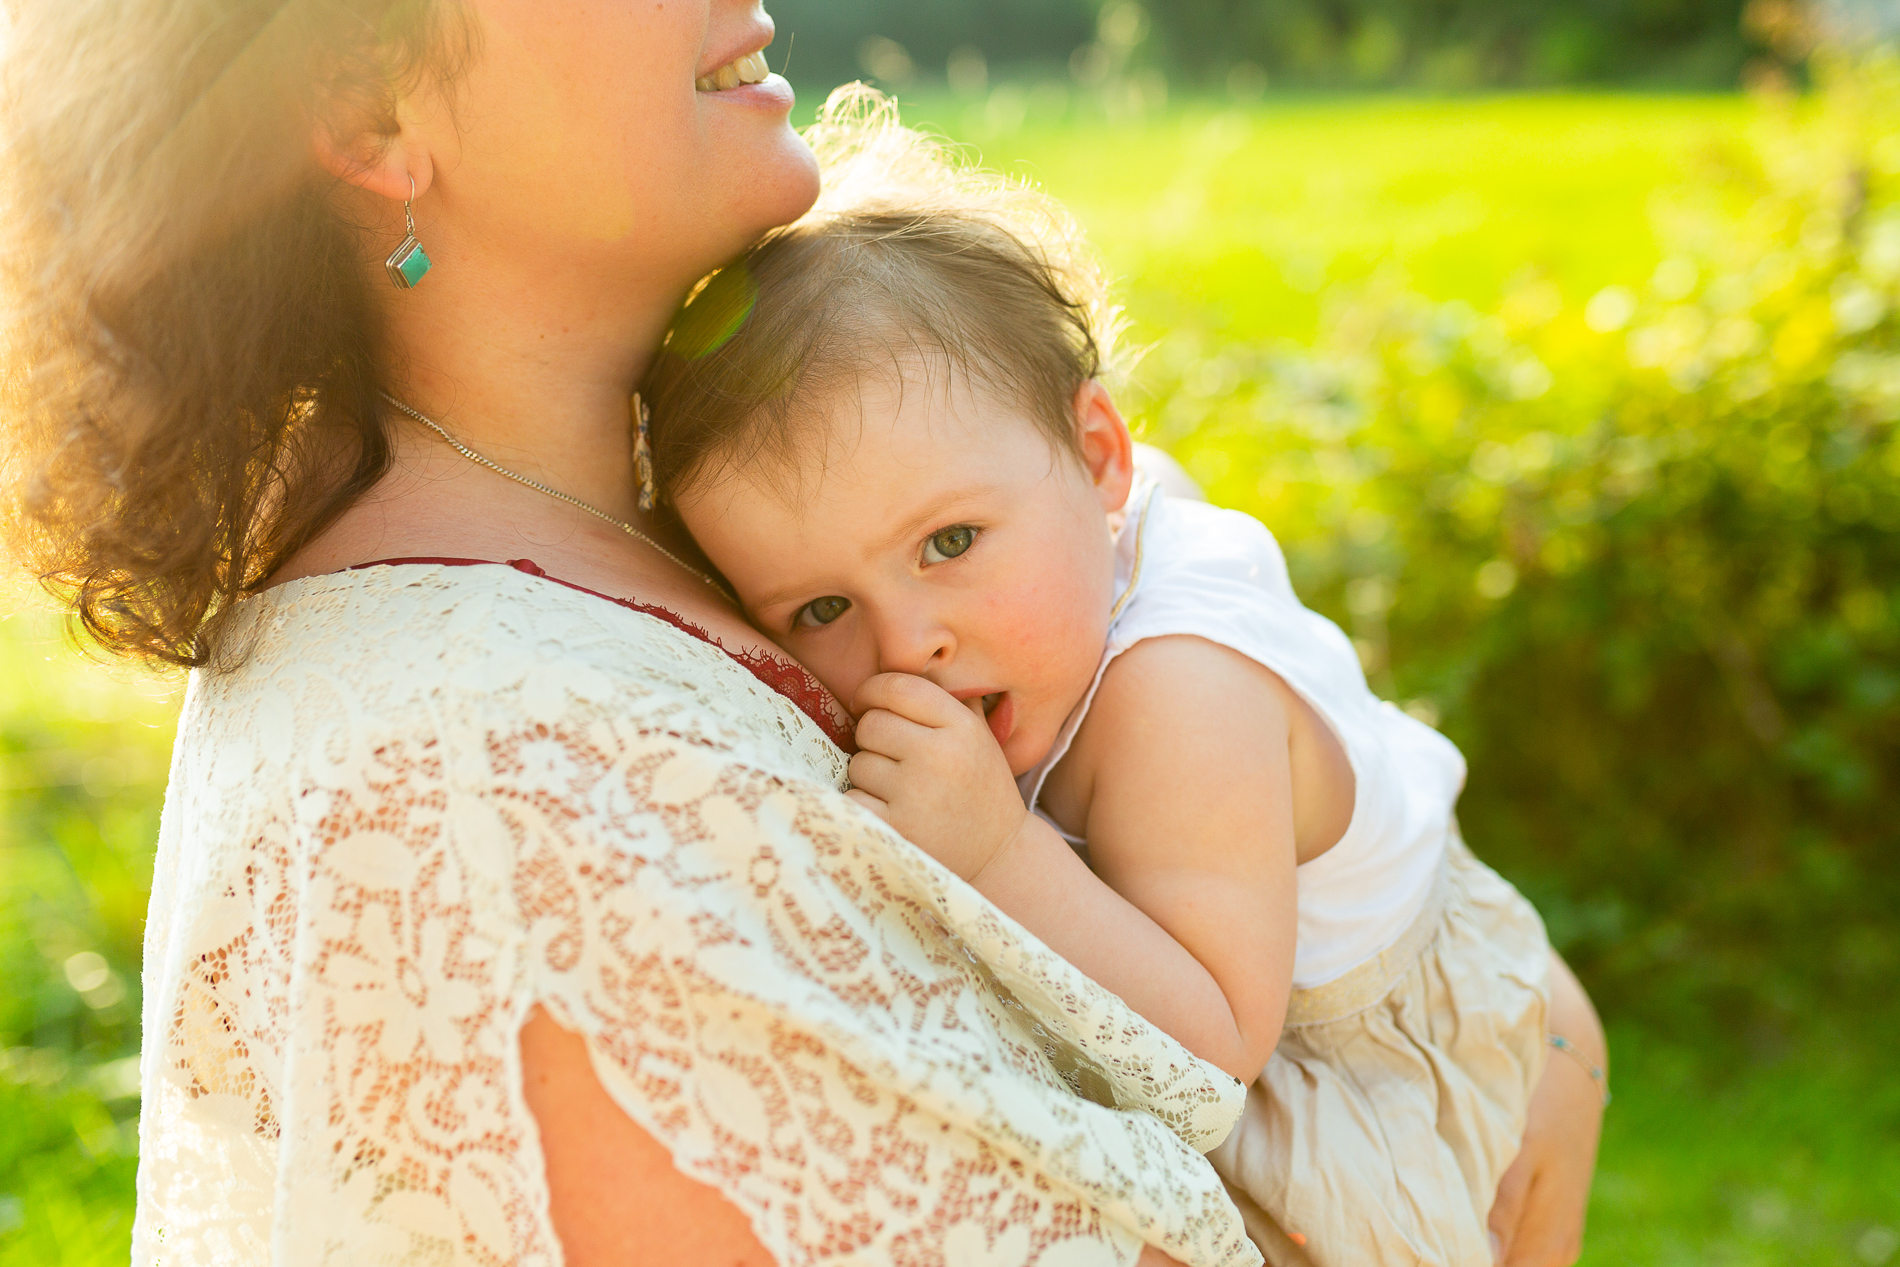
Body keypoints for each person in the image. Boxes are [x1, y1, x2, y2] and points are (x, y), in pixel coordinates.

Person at [0, 0, 1604, 1263]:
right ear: (366, 109)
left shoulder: (685, 524)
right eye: (833, 611)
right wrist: (1524, 1055)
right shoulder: (497, 781)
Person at [645, 109, 1610, 1267]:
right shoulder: (1071, 531)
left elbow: (1214, 1047)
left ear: (1099, 456)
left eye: (948, 543)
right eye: (820, 610)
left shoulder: (1176, 691)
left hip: (1347, 1060)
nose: (908, 644)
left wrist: (999, 852)